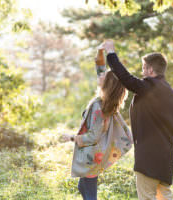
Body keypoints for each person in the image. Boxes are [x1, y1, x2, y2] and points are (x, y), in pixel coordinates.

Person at [101, 40, 173, 200]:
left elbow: (125, 78)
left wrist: (111, 53)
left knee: (147, 197)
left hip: (148, 158)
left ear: (150, 69)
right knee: (165, 197)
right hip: (167, 158)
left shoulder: (147, 87)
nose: (142, 72)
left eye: (143, 68)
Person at [62, 49, 133, 200]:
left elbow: (93, 136)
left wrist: (71, 138)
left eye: (103, 76)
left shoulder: (98, 107)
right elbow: (101, 71)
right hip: (95, 156)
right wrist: (101, 52)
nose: (100, 75)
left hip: (91, 155)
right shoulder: (106, 102)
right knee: (83, 186)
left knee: (89, 192)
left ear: (106, 84)